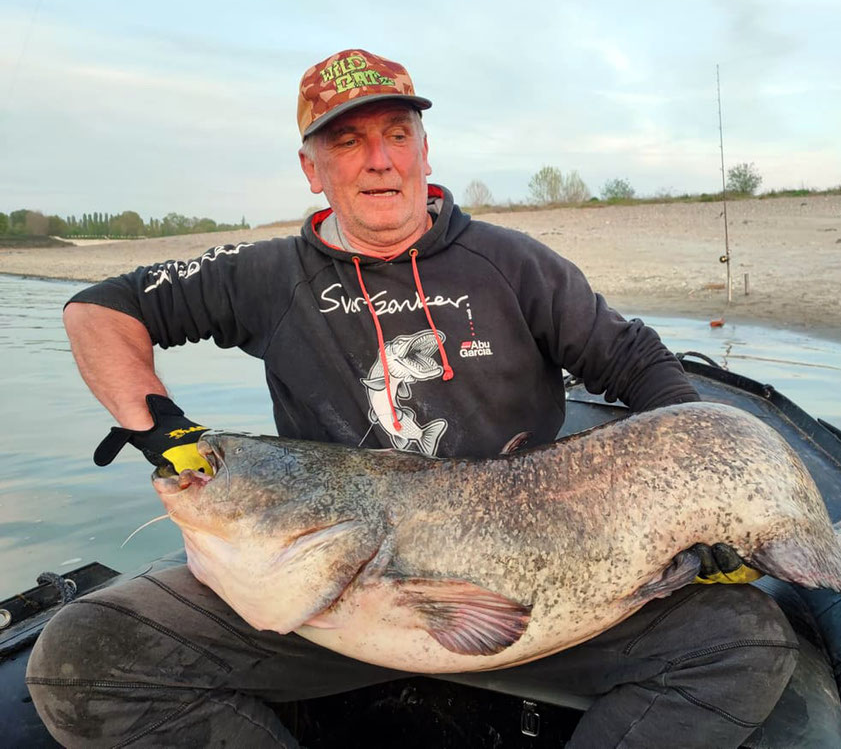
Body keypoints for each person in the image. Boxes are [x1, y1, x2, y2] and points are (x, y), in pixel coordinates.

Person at [27, 49, 797, 747]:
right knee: (78, 661)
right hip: (323, 600)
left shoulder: (512, 262)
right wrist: (157, 425)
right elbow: (102, 307)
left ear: (425, 150)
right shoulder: (268, 277)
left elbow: (635, 359)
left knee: (748, 643)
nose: (379, 162)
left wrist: (703, 500)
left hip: (553, 595)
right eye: (348, 142)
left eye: (397, 134)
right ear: (311, 167)